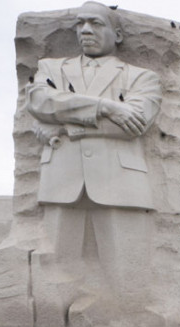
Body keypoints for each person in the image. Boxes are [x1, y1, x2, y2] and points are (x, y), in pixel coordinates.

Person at [26, 1, 163, 270]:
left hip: (121, 183)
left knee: (127, 273)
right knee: (54, 272)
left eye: (96, 23)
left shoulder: (142, 77)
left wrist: (65, 127)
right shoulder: (51, 69)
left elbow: (133, 125)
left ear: (119, 35)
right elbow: (40, 102)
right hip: (60, 181)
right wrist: (106, 106)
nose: (85, 30)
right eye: (80, 23)